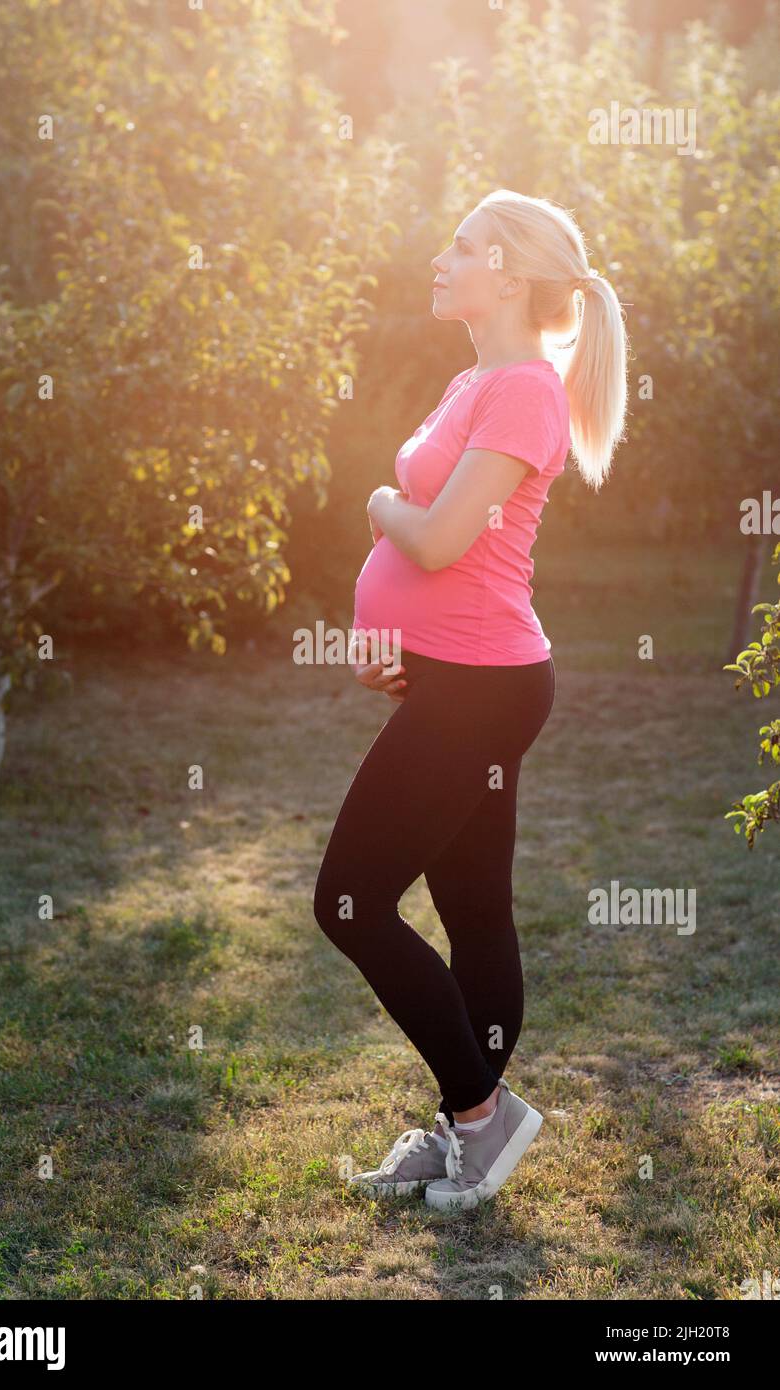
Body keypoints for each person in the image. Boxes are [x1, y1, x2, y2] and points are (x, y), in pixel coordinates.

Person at [313, 189, 629, 1213]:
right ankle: (464, 1126)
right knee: (471, 908)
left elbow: (441, 537)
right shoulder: (474, 379)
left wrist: (373, 503)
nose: (438, 258)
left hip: (483, 691)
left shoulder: (524, 393)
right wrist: (385, 638)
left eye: (457, 244)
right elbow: (439, 551)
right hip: (452, 678)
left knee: (350, 900)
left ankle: (482, 1117)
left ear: (502, 266)